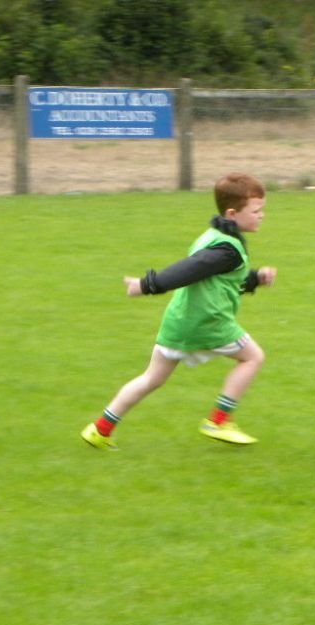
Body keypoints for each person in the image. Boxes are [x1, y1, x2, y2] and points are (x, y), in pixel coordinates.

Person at [81, 172, 276, 450]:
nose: (262, 215)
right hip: (208, 323)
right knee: (253, 358)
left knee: (152, 378)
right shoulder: (227, 250)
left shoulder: (212, 237)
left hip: (179, 321)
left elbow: (219, 280)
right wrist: (146, 285)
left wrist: (255, 279)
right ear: (232, 214)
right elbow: (189, 270)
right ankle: (218, 421)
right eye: (256, 211)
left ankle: (100, 429)